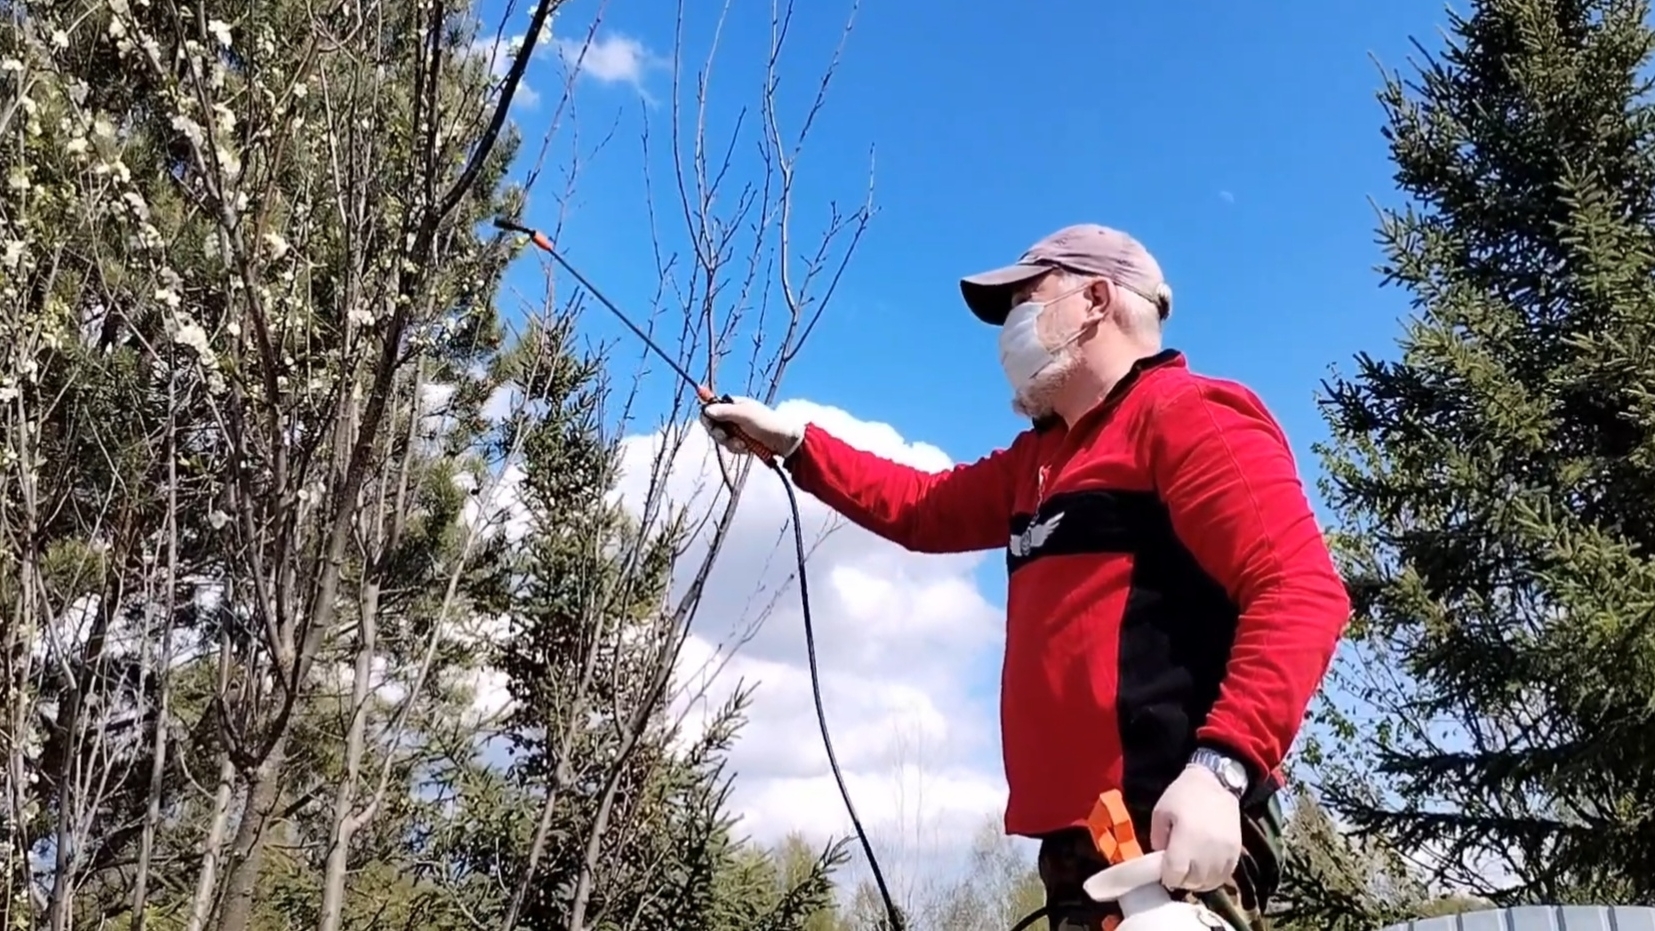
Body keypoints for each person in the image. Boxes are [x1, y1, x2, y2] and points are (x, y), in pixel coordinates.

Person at [700, 224, 1350, 931]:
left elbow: (1300, 588)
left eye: (1023, 301)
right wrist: (794, 445)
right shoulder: (1033, 463)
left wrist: (1221, 767)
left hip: (1176, 830)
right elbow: (920, 508)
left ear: (1096, 299)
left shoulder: (1187, 416)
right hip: (1081, 848)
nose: (1008, 329)